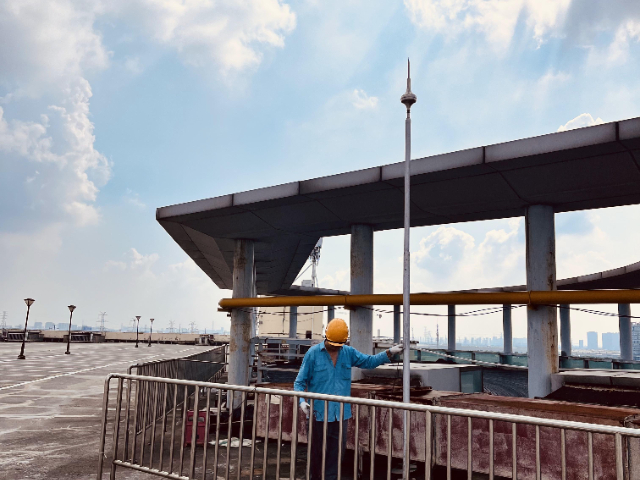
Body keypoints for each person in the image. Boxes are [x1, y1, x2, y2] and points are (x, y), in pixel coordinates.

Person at [294, 318, 403, 480]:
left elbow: (369, 361)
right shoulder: (313, 354)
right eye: (333, 344)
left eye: (339, 344)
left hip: (340, 415)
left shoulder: (348, 352)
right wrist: (302, 402)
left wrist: (389, 353)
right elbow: (299, 382)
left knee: (337, 455)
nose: (336, 348)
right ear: (326, 337)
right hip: (318, 414)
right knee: (316, 455)